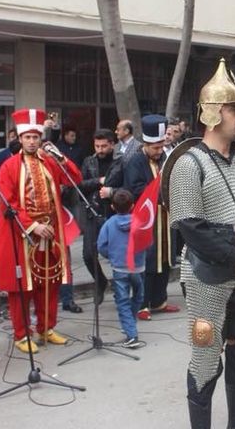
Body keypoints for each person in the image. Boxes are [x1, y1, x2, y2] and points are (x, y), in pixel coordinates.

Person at [167, 58, 235, 429]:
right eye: (234, 109)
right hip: (207, 276)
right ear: (212, 113)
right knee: (206, 357)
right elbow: (191, 227)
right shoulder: (188, 164)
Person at [0, 108, 82, 353]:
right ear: (20, 139)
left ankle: (46, 327)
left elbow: (75, 178)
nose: (32, 141)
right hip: (23, 234)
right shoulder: (9, 167)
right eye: (28, 137)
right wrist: (32, 225)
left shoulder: (50, 162)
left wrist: (62, 158)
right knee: (22, 288)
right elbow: (7, 202)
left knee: (50, 281)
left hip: (51, 232)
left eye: (36, 137)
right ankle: (22, 335)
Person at [123, 115, 180, 320]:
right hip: (146, 220)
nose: (159, 151)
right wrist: (158, 192)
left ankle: (159, 300)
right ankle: (142, 304)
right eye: (155, 148)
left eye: (161, 146)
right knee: (147, 262)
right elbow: (134, 189)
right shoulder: (135, 161)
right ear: (146, 144)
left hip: (165, 218)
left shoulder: (165, 157)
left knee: (164, 259)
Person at [96, 189, 146, 349]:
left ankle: (130, 330)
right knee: (138, 296)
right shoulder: (140, 222)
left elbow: (101, 245)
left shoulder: (109, 224)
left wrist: (112, 256)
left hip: (120, 268)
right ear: (132, 206)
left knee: (123, 301)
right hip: (138, 267)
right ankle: (130, 326)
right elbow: (148, 242)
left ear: (112, 206)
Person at [76, 129, 114, 304]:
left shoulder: (119, 161)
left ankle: (121, 289)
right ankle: (100, 282)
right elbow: (80, 184)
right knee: (88, 254)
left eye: (104, 146)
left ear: (112, 144)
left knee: (116, 255)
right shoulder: (89, 161)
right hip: (93, 211)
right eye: (97, 146)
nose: (100, 149)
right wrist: (99, 181)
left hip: (114, 212)